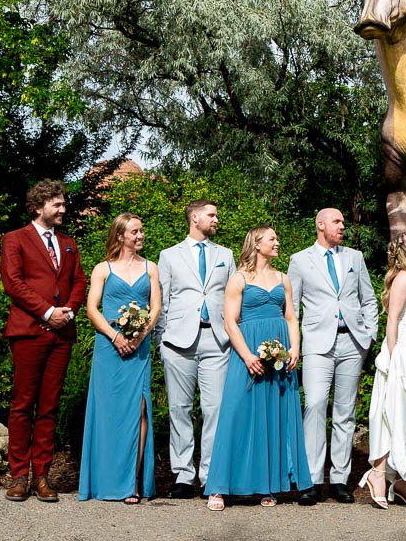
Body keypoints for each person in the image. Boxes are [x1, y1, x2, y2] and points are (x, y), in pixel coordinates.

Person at [205, 226, 313, 510]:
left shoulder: (282, 278)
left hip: (280, 354)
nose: (277, 242)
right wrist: (247, 356)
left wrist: (295, 348)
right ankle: (219, 488)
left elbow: (291, 317)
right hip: (247, 352)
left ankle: (268, 485)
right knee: (236, 414)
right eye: (272, 239)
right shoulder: (238, 279)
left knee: (274, 416)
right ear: (256, 244)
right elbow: (230, 321)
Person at [0, 179, 86, 503]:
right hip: (29, 331)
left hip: (62, 334)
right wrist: (47, 311)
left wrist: (68, 313)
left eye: (64, 204)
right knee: (23, 405)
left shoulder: (68, 243)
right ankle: (19, 476)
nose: (63, 209)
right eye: (58, 205)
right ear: (39, 207)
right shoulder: (15, 239)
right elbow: (14, 283)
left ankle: (42, 477)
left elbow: (79, 281)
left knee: (49, 407)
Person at [288, 207, 378, 505]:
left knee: (345, 412)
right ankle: (312, 480)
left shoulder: (355, 258)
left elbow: (369, 299)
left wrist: (369, 336)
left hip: (352, 342)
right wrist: (295, 345)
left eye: (342, 221)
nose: (342, 226)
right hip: (316, 343)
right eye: (337, 222)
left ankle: (339, 479)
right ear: (320, 225)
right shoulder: (299, 261)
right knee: (314, 405)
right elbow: (292, 307)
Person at [78, 213, 160, 503]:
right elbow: (92, 308)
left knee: (139, 410)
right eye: (135, 232)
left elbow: (156, 308)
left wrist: (139, 337)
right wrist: (115, 337)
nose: (140, 236)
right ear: (121, 235)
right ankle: (105, 481)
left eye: (141, 231)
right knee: (108, 413)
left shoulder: (151, 268)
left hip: (138, 349)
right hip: (109, 349)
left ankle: (132, 483)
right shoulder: (103, 269)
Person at [156, 199, 234, 499]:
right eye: (212, 214)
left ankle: (210, 475)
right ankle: (183, 476)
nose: (216, 219)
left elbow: (231, 299)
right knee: (179, 409)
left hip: (217, 340)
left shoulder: (225, 255)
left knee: (214, 410)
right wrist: (162, 341)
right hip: (177, 342)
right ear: (195, 218)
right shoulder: (169, 255)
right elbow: (161, 300)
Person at [359, 232, 406, 507]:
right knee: (396, 412)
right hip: (401, 351)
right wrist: (391, 357)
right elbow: (392, 320)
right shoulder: (403, 277)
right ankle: (379, 473)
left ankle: (401, 481)